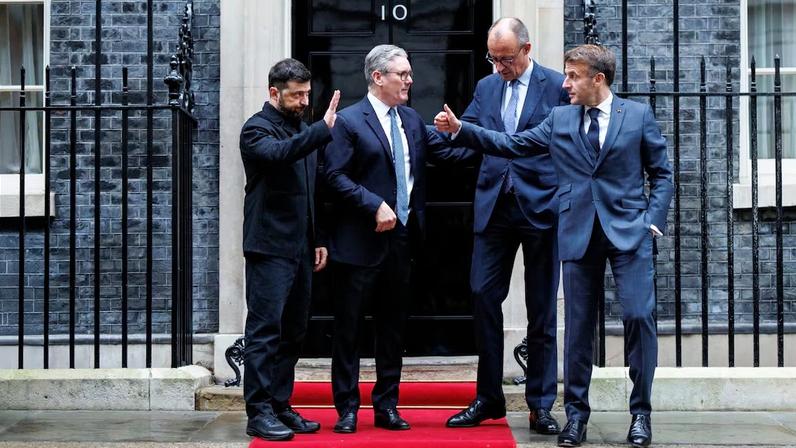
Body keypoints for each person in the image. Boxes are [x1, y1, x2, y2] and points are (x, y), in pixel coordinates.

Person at [435, 44, 673, 448]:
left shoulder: (636, 116)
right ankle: (576, 417)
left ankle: (640, 414)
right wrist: (462, 130)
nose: (564, 84)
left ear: (597, 79)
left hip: (629, 233)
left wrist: (651, 220)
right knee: (577, 329)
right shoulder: (560, 118)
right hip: (577, 230)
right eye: (565, 75)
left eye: (573, 76)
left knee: (638, 317)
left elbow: (661, 173)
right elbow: (514, 144)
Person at [324, 44, 473, 434]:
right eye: (402, 74)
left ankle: (387, 405)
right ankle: (347, 409)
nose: (410, 80)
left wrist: (468, 135)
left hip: (402, 242)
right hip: (359, 242)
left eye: (409, 74)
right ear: (378, 77)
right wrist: (373, 204)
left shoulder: (410, 120)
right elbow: (333, 176)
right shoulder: (349, 122)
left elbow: (449, 155)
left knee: (393, 327)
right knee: (350, 328)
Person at [442, 18, 568, 435]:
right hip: (494, 205)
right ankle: (488, 398)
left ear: (527, 50)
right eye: (494, 59)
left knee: (541, 309)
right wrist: (413, 136)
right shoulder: (486, 86)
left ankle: (541, 404)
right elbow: (468, 135)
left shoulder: (557, 86)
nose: (500, 67)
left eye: (507, 59)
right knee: (481, 295)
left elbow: (557, 143)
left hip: (541, 206)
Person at [239, 58, 340, 441]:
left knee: (294, 332)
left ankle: (280, 405)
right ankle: (258, 411)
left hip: (300, 248)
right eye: (296, 95)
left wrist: (318, 239)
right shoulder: (257, 129)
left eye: (306, 94)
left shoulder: (302, 130)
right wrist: (320, 130)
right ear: (274, 93)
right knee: (265, 331)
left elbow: (311, 191)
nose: (302, 101)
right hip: (268, 247)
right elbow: (280, 156)